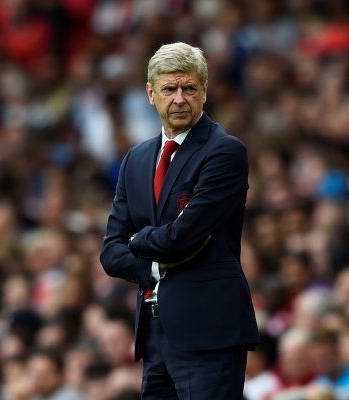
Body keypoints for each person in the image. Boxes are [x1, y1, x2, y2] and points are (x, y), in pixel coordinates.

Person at [100, 42, 259, 399]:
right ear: (150, 94)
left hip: (209, 331)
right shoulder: (136, 159)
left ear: (204, 91)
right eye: (169, 89)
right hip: (154, 333)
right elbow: (110, 252)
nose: (179, 98)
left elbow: (181, 238)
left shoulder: (224, 151)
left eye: (189, 88)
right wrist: (156, 268)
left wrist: (138, 242)